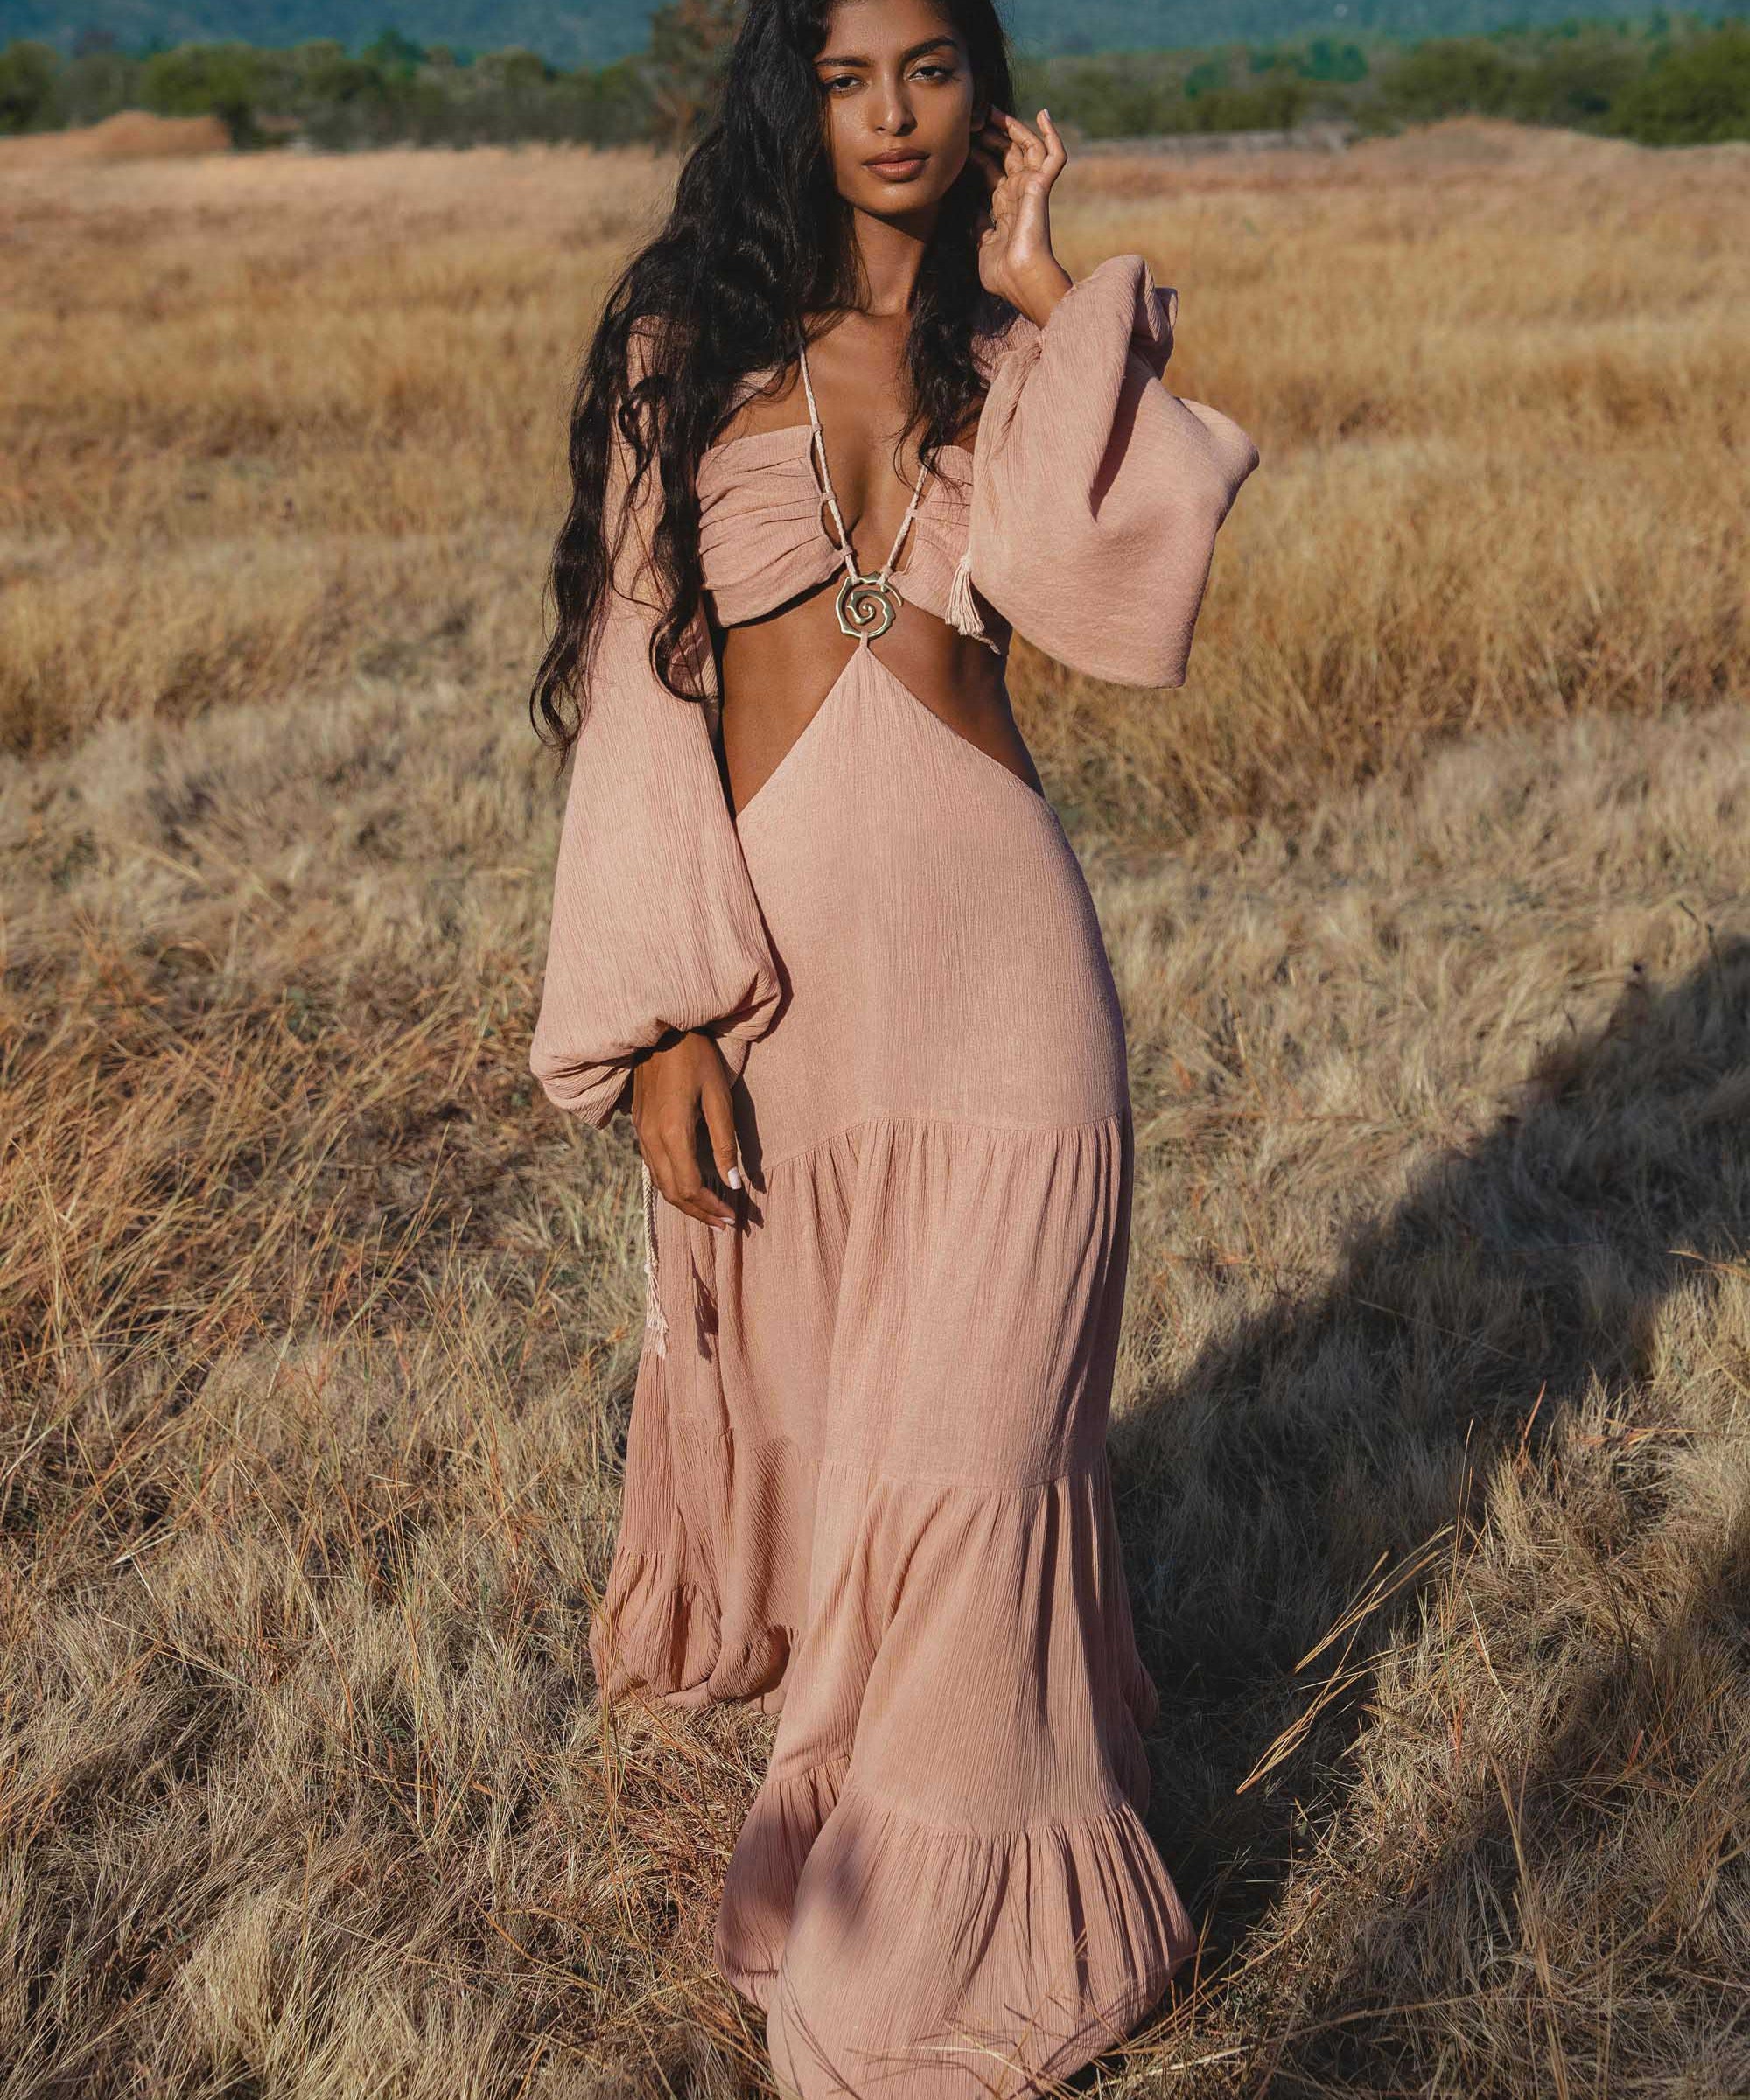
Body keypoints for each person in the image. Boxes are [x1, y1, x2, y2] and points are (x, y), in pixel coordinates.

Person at [526, 0, 1259, 2089]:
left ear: (981, 90)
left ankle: (965, 1945)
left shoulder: (1013, 362)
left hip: (1007, 981)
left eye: (930, 68)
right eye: (849, 76)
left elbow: (1127, 593)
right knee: (869, 1451)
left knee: (979, 1458)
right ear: (794, 99)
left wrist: (1053, 300)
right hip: (794, 994)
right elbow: (639, 700)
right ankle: (878, 1849)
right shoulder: (690, 359)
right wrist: (664, 1016)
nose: (892, 114)